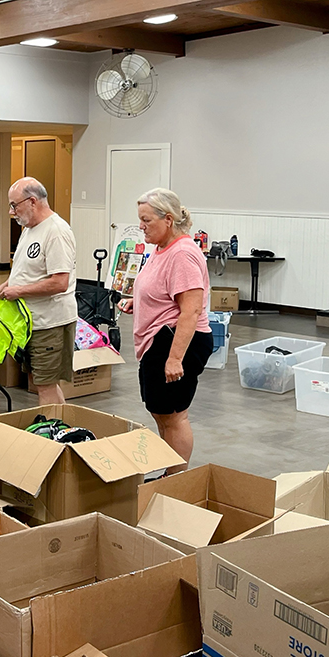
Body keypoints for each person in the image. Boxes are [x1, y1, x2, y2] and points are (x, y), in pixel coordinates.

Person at [117, 188, 212, 473]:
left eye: (146, 221)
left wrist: (174, 358)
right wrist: (141, 302)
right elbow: (165, 292)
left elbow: (191, 310)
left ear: (168, 219)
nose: (141, 227)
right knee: (160, 412)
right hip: (158, 340)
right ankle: (170, 472)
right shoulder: (160, 249)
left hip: (176, 343)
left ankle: (176, 480)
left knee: (174, 416)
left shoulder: (182, 254)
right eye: (139, 220)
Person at [0, 177, 77, 406]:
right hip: (31, 321)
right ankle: (59, 428)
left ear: (32, 201)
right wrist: (5, 287)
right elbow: (24, 270)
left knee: (45, 384)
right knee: (41, 381)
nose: (12, 212)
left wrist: (18, 291)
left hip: (51, 322)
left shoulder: (56, 231)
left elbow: (59, 282)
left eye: (14, 205)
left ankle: (51, 435)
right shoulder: (29, 229)